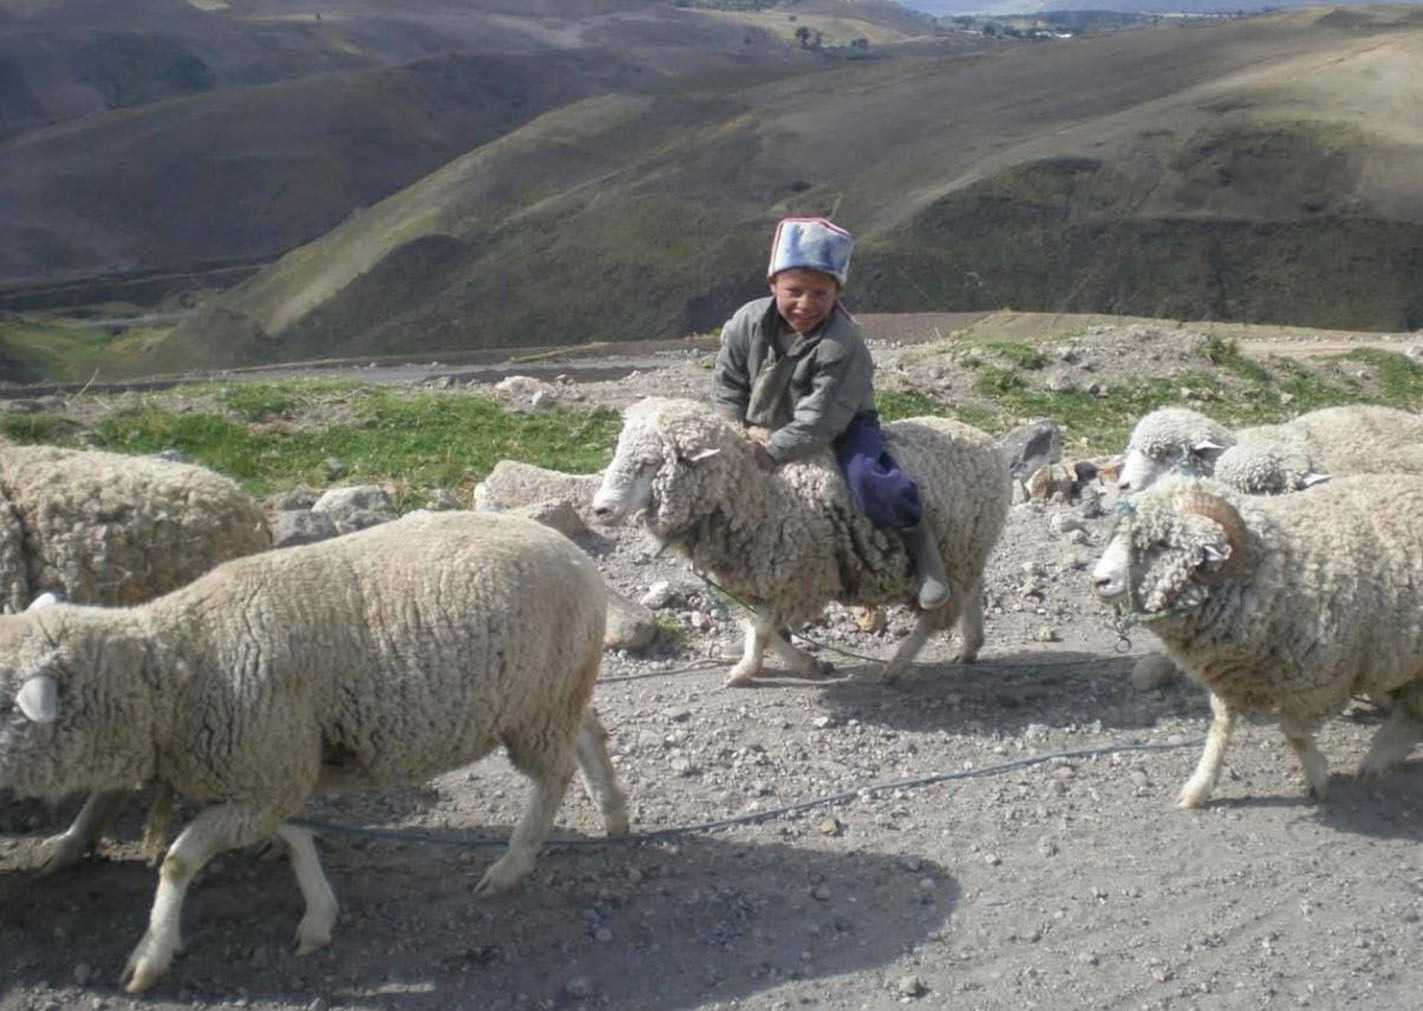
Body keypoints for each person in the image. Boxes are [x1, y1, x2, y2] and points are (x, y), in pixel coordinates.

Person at [709, 216, 950, 610]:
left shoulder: (841, 341)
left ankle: (923, 546)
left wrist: (771, 452)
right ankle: (752, 592)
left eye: (820, 293)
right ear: (773, 285)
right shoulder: (746, 323)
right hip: (765, 419)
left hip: (842, 423)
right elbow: (728, 384)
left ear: (836, 292)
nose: (805, 304)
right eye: (794, 291)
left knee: (868, 477)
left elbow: (822, 417)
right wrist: (731, 433)